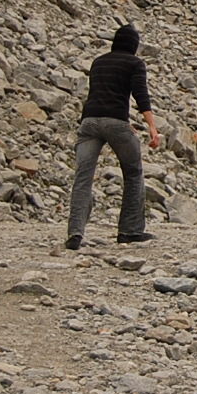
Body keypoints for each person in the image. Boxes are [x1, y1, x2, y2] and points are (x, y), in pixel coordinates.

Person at [65, 23, 161, 249]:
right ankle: (130, 230)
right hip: (116, 123)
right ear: (134, 45)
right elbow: (139, 93)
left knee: (83, 179)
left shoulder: (98, 61)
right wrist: (152, 127)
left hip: (89, 122)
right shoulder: (135, 63)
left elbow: (100, 94)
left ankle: (75, 234)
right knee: (133, 172)